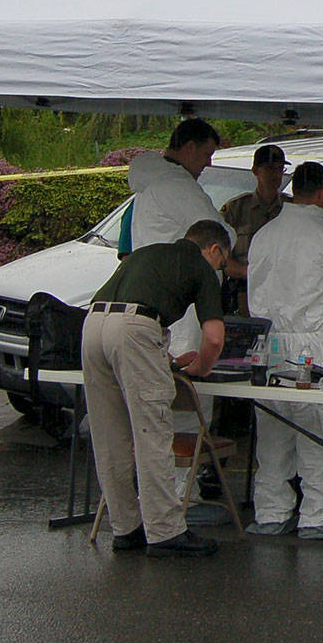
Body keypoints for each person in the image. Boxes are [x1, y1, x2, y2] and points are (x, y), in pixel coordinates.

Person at [82, 219, 230, 558]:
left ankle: (125, 528)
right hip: (135, 330)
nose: (219, 270)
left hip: (93, 326)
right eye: (221, 263)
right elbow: (214, 338)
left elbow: (129, 314)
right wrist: (200, 367)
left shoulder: (145, 254)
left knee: (110, 436)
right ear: (214, 249)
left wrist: (166, 359)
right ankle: (165, 532)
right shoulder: (200, 266)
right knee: (152, 433)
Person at [244, 162, 323, 539]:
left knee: (273, 429)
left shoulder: (265, 235)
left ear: (294, 190)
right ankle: (318, 516)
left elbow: (254, 296)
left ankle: (271, 512)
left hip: (274, 341)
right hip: (317, 341)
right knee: (320, 428)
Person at [125, 118, 226, 252]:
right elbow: (218, 236)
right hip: (176, 264)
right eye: (207, 155)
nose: (209, 163)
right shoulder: (178, 185)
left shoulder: (151, 181)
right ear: (190, 148)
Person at [216, 144, 289, 317]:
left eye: (280, 169)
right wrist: (250, 273)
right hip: (244, 294)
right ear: (255, 170)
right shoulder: (236, 209)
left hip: (285, 294)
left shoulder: (291, 208)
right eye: (269, 168)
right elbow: (220, 257)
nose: (276, 175)